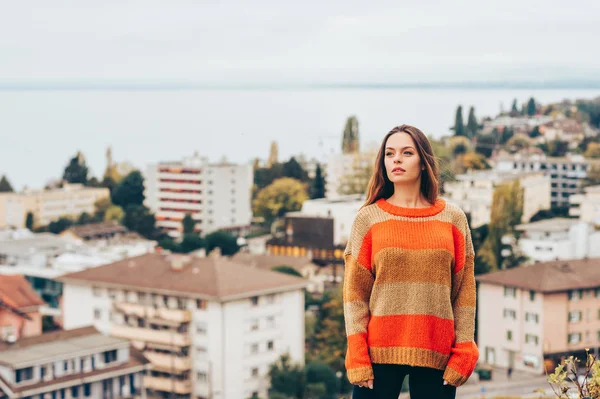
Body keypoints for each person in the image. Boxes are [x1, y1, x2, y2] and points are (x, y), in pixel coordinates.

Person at [343, 125, 479, 399]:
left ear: (424, 161)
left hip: (436, 353)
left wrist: (465, 349)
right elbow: (354, 294)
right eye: (390, 153)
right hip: (377, 354)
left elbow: (464, 290)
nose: (396, 159)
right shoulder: (368, 219)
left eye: (406, 153)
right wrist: (357, 353)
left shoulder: (453, 219)